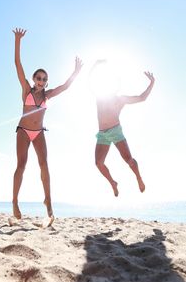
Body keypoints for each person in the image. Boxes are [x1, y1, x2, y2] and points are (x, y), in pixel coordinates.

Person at [10, 28, 82, 227]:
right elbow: (17, 64)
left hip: (39, 132)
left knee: (44, 165)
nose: (41, 81)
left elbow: (65, 87)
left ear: (46, 82)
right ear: (34, 79)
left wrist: (75, 72)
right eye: (38, 78)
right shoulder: (26, 90)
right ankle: (15, 202)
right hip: (24, 131)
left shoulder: (47, 95)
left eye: (44, 79)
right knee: (21, 165)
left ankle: (48, 201)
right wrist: (18, 41)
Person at [91, 59, 155, 197]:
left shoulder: (121, 99)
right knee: (98, 163)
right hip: (102, 134)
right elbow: (91, 81)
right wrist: (95, 66)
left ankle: (138, 177)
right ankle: (113, 183)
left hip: (115, 131)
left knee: (129, 160)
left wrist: (152, 83)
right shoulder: (99, 95)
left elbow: (142, 98)